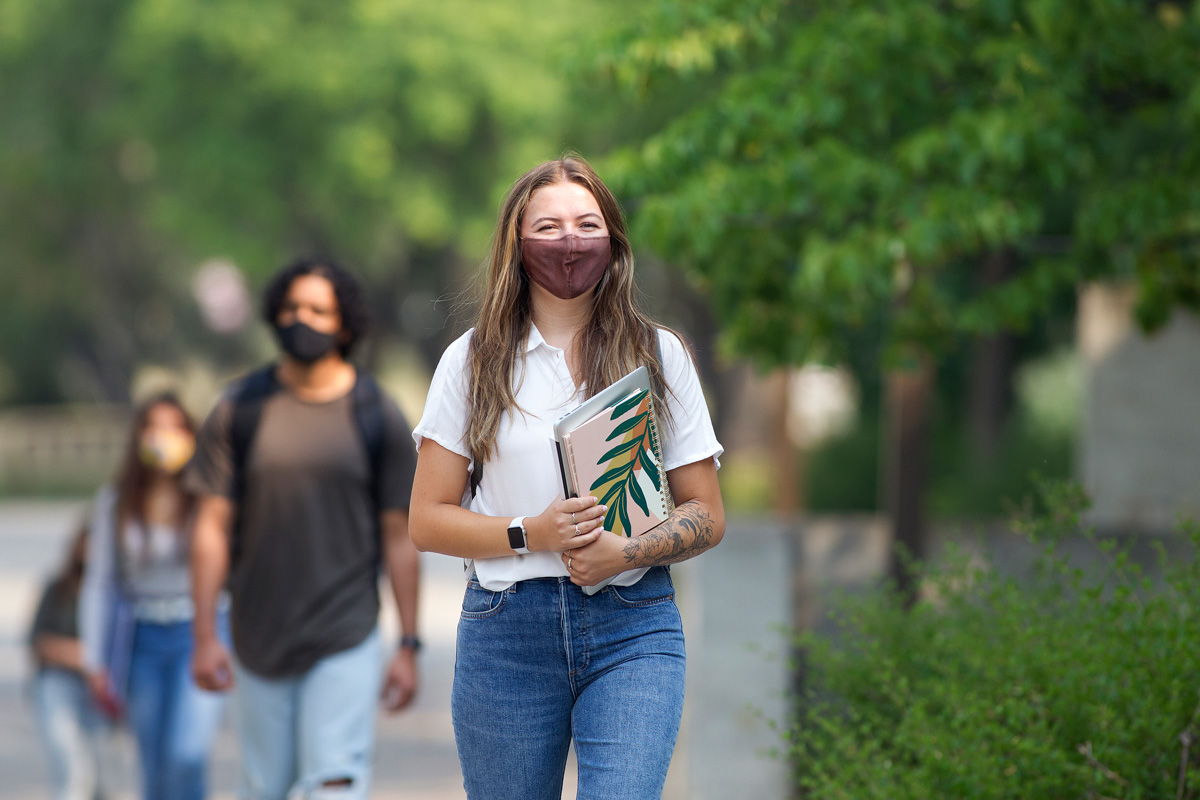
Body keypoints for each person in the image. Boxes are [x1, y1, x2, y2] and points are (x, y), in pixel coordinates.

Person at [409, 154, 726, 799]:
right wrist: (533, 532)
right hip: (507, 631)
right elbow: (427, 519)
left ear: (613, 239)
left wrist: (625, 552)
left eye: (586, 224)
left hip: (633, 625)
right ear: (516, 244)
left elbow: (706, 514)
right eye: (548, 227)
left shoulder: (658, 354)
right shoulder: (471, 361)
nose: (569, 242)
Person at [187, 257, 421, 800]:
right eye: (292, 307)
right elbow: (210, 529)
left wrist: (408, 643)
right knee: (266, 788)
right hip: (257, 636)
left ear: (344, 325)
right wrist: (204, 636)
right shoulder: (238, 408)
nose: (303, 319)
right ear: (274, 314)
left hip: (345, 631)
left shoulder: (374, 411)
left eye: (319, 310)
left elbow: (398, 536)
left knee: (333, 783)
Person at [78, 392, 225, 800]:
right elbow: (100, 581)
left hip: (197, 631)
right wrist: (94, 659)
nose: (164, 438)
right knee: (153, 763)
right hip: (141, 638)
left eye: (175, 427)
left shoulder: (205, 499)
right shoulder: (116, 503)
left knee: (187, 755)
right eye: (154, 427)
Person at [29, 522, 109, 800]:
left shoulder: (115, 594)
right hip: (59, 681)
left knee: (99, 773)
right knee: (73, 769)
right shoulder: (59, 588)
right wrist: (86, 656)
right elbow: (39, 644)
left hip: (102, 687)